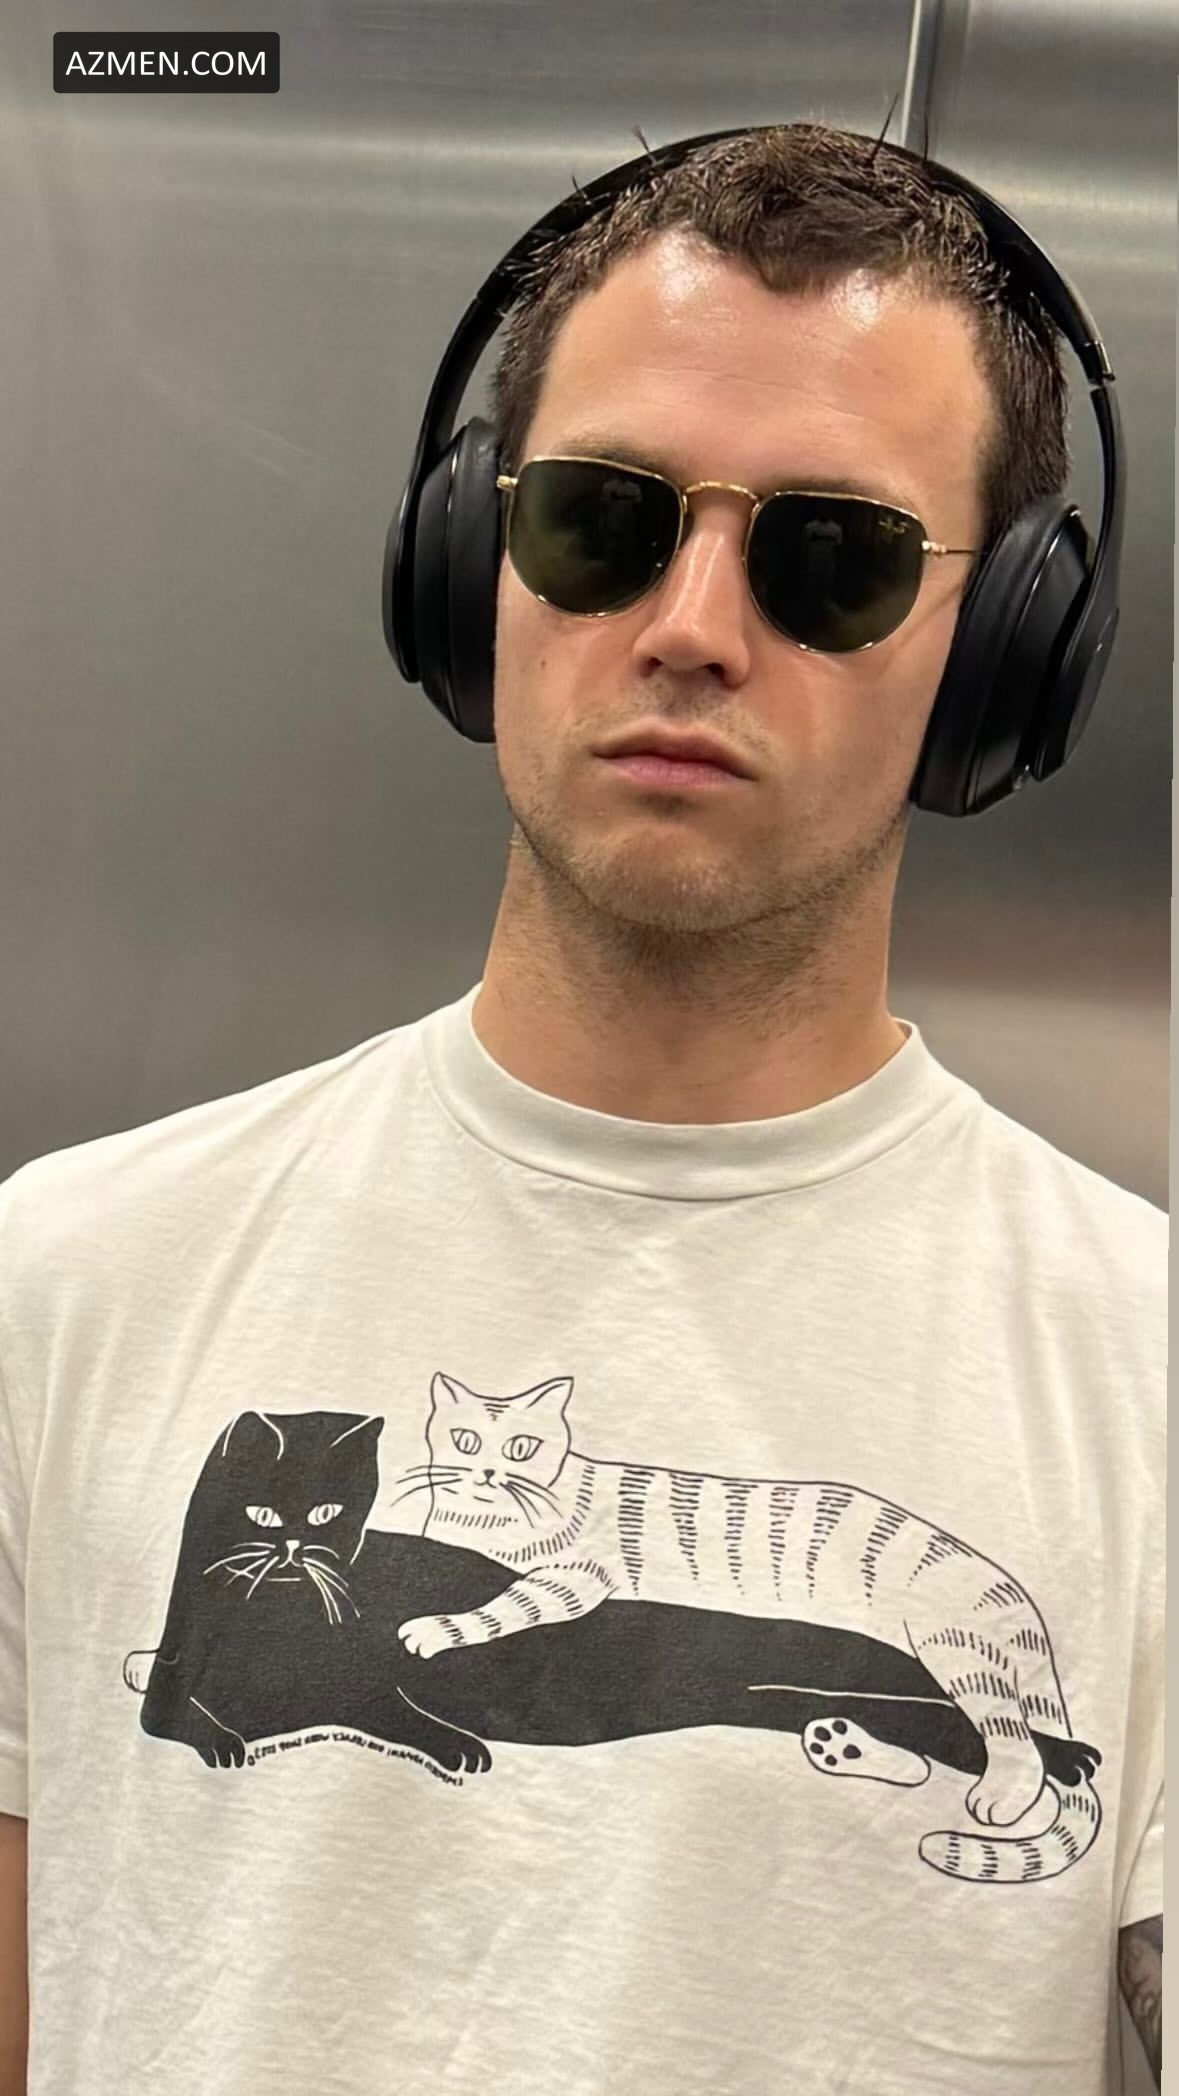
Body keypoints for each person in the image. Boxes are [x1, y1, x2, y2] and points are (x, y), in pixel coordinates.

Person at [0, 121, 1164, 2096]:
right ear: (474, 565)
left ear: (1003, 656)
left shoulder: (1143, 1370)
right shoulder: (65, 1279)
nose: (690, 625)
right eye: (602, 522)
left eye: (832, 558)